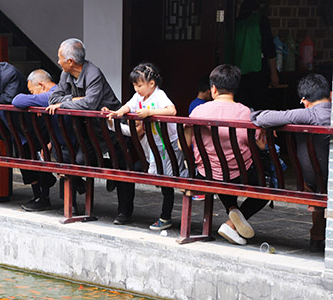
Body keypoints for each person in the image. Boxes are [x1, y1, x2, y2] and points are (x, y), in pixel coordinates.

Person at [47, 38, 135, 225]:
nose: (58, 61)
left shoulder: (93, 73)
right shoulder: (66, 74)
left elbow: (90, 103)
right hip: (87, 130)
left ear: (70, 61)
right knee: (76, 159)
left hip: (112, 130)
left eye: (60, 58)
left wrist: (67, 102)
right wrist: (75, 98)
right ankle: (71, 204)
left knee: (122, 169)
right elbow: (54, 98)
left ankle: (124, 212)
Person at [186, 64, 268, 245]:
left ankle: (232, 213)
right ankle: (232, 222)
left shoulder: (198, 111)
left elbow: (183, 143)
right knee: (264, 188)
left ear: (213, 89)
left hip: (205, 173)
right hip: (239, 175)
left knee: (220, 174)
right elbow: (260, 146)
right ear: (235, 89)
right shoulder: (246, 112)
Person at [251, 73, 331, 252]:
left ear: (304, 100)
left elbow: (263, 118)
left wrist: (261, 121)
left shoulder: (306, 114)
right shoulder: (326, 114)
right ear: (331, 95)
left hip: (314, 181)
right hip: (327, 180)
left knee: (318, 185)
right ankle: (318, 236)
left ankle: (317, 237)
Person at [106, 62, 187, 231]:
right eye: (135, 85)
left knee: (170, 179)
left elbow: (172, 111)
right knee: (161, 177)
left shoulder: (159, 95)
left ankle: (166, 216)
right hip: (154, 145)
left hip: (169, 144)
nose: (136, 89)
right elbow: (129, 105)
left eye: (139, 85)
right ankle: (166, 214)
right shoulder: (139, 98)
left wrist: (150, 113)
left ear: (152, 84)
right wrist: (119, 112)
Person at [11, 69, 60, 211]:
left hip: (65, 143)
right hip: (56, 139)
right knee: (26, 148)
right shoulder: (51, 94)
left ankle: (44, 196)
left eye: (32, 92)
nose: (32, 95)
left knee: (35, 149)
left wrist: (37, 101)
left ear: (41, 85)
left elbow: (17, 100)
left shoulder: (54, 94)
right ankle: (40, 195)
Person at [234, 0, 278, 110]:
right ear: (257, 9)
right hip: (257, 70)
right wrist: (274, 74)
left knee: (242, 107)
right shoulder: (260, 20)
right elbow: (269, 49)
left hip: (236, 73)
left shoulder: (234, 23)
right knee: (260, 109)